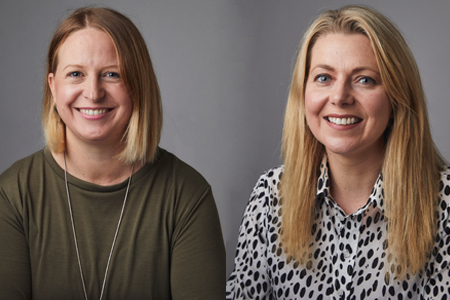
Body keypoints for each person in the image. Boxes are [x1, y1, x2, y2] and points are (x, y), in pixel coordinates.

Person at [0, 7, 225, 300]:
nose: (93, 92)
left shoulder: (186, 195)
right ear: (53, 87)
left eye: (112, 74)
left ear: (138, 86)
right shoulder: (12, 194)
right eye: (76, 74)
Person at [227, 5, 449, 299]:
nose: (340, 97)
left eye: (364, 79)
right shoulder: (270, 196)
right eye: (323, 77)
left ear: (397, 95)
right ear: (303, 91)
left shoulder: (444, 203)